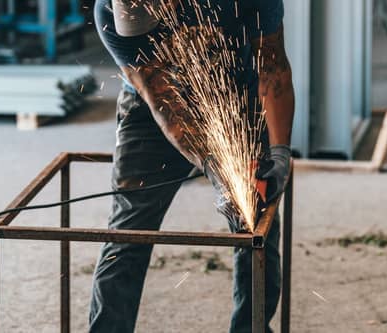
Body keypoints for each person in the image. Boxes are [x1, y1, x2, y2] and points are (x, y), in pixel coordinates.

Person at [91, 0, 295, 332]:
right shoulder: (111, 15)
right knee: (128, 230)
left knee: (257, 221)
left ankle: (251, 328)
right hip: (151, 109)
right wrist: (217, 166)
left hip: (235, 98)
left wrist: (281, 152)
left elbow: (272, 66)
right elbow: (166, 107)